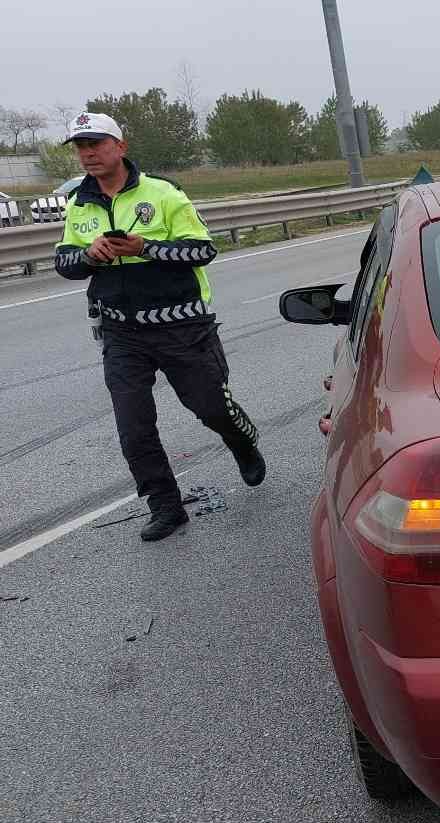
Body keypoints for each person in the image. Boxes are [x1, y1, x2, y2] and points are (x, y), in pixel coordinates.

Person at [53, 113, 265, 542]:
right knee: (133, 428)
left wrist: (144, 247)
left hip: (181, 327)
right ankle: (165, 506)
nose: (88, 153)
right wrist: (91, 256)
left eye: (96, 143)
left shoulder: (163, 193)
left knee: (210, 408)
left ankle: (241, 441)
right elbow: (64, 263)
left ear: (121, 146)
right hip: (120, 333)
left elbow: (203, 249)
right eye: (80, 146)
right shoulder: (79, 203)